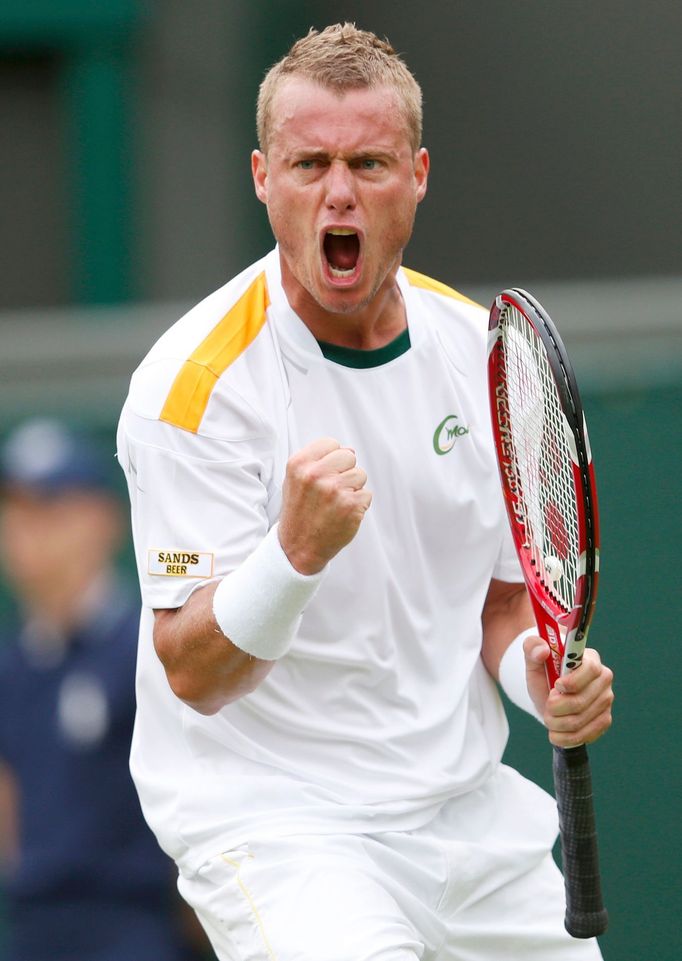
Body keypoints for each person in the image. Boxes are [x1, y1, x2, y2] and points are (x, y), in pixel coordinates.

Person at [117, 23, 614, 961]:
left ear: (418, 175)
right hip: (284, 826)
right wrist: (293, 554)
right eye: (309, 163)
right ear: (263, 178)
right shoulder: (190, 388)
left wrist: (536, 678)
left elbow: (506, 602)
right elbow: (193, 670)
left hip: (466, 821)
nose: (338, 191)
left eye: (369, 163)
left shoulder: (484, 355)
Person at [0, 418, 209, 961]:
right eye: (16, 513)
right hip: (33, 923)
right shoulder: (14, 666)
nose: (29, 532)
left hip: (136, 923)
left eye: (51, 511)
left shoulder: (148, 647)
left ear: (102, 520)